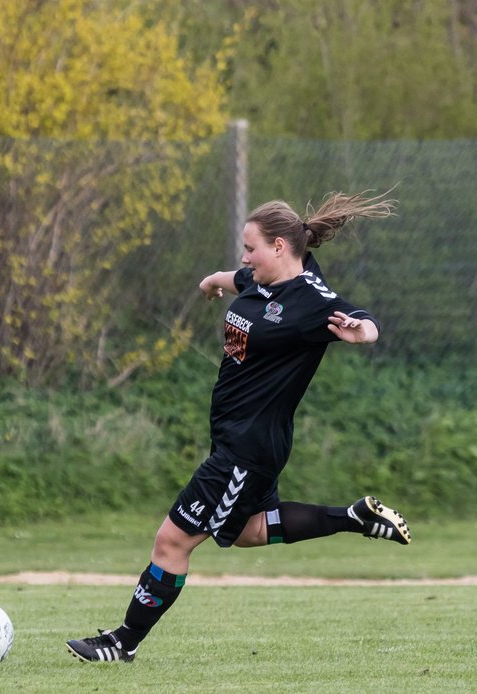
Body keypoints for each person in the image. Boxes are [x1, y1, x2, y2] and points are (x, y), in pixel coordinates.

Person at [66, 190, 411, 663]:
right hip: (238, 440)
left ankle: (122, 643)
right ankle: (353, 517)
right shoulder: (259, 278)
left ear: (279, 247)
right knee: (248, 531)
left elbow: (364, 319)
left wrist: (360, 331)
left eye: (251, 247)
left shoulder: (310, 300)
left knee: (171, 540)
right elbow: (239, 278)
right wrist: (214, 281)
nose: (244, 257)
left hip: (247, 449)